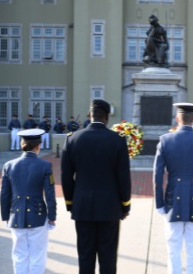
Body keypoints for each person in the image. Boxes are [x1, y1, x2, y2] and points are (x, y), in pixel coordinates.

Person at [61, 99, 132, 274]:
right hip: (110, 206)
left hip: (82, 205)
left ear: (89, 115)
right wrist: (125, 204)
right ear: (107, 117)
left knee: (85, 255)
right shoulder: (118, 140)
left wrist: (70, 203)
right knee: (108, 257)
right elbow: (123, 177)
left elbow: (66, 177)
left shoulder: (72, 139)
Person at [154, 103, 193, 274]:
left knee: (173, 249)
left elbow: (158, 175)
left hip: (172, 200)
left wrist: (159, 203)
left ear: (177, 119)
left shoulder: (165, 140)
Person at [0, 128, 57, 274]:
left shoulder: (9, 165)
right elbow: (50, 194)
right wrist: (52, 217)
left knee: (19, 255)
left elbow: (4, 194)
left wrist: (6, 216)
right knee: (38, 255)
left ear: (21, 144)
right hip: (38, 216)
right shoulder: (45, 166)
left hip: (16, 216)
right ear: (38, 146)